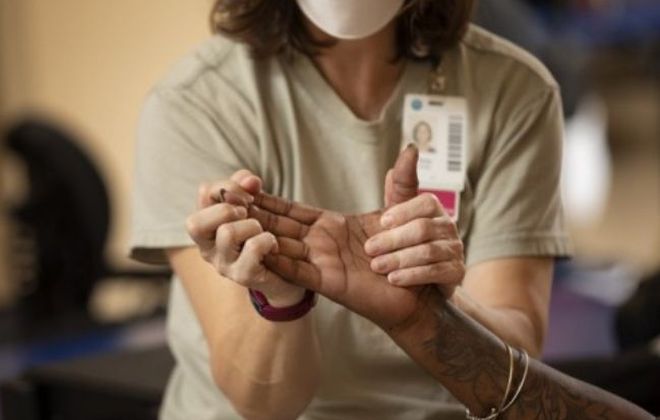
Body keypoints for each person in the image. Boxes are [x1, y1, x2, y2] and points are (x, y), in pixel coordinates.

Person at [131, 0, 574, 418]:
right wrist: (280, 295)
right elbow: (264, 407)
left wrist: (437, 307)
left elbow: (515, 373)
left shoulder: (514, 89)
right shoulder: (198, 101)